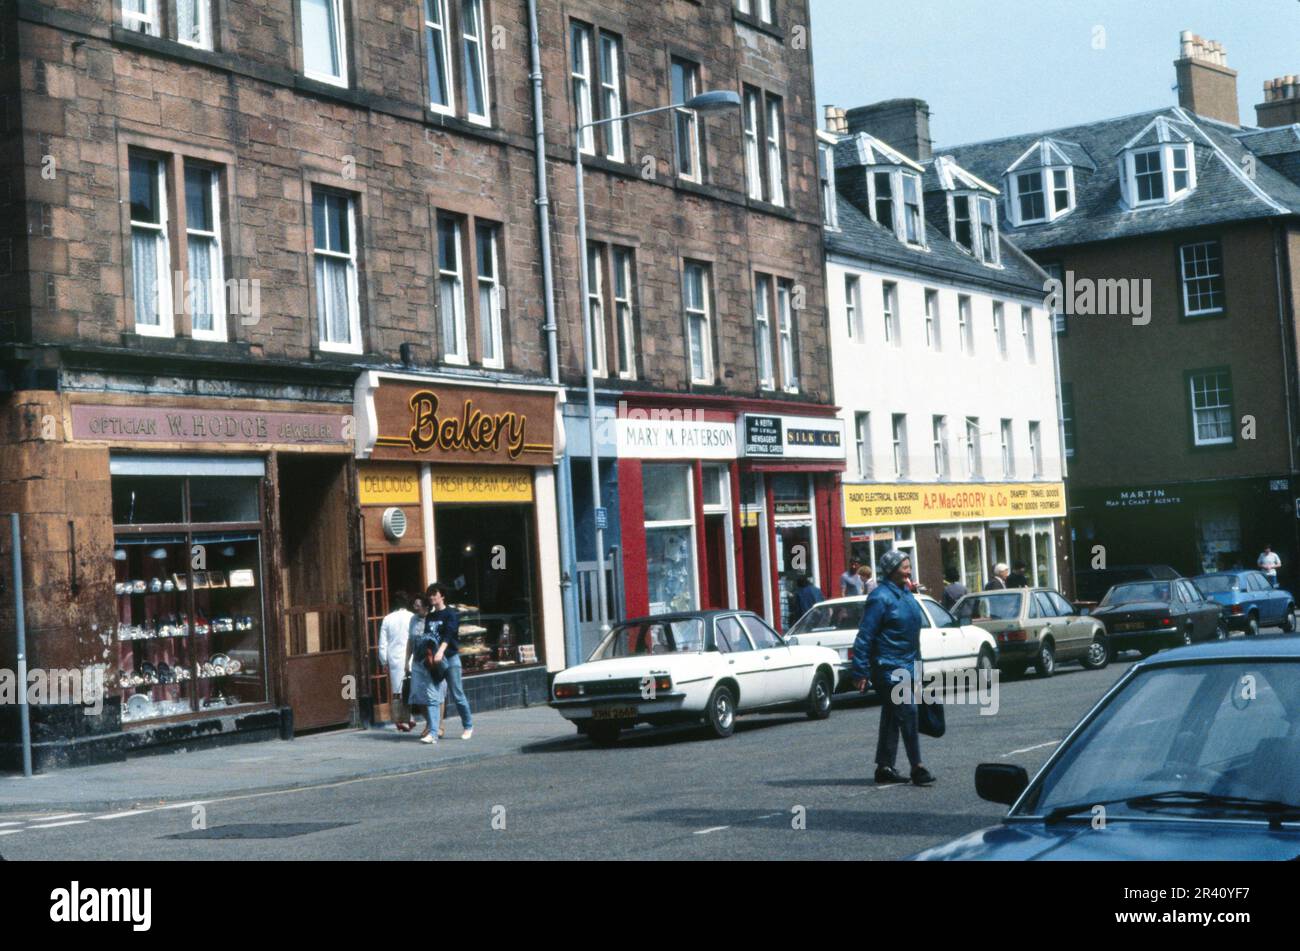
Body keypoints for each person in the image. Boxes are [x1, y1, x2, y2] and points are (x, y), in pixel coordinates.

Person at [850, 550, 935, 787]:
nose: (909, 570)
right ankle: (917, 767)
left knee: (892, 715)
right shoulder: (880, 597)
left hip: (909, 664)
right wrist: (860, 671)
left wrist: (918, 668)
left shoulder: (907, 595)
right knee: (908, 711)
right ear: (892, 570)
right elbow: (865, 635)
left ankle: (884, 767)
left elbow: (912, 636)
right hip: (888, 666)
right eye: (904, 566)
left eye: (909, 566)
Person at [427, 583, 474, 740]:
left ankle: (468, 726)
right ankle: (433, 731)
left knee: (457, 693)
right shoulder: (430, 616)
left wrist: (440, 651)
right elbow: (429, 638)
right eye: (430, 595)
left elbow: (448, 635)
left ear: (442, 596)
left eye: (435, 594)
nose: (432, 597)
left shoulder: (450, 614)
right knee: (433, 695)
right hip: (435, 660)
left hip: (450, 658)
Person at [405, 595, 444, 745]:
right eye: (414, 605)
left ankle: (437, 727)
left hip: (432, 661)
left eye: (417, 605)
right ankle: (430, 723)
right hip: (417, 661)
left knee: (436, 695)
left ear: (426, 607)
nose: (415, 608)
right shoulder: (413, 619)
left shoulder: (433, 619)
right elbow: (410, 640)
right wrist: (406, 661)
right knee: (416, 694)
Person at [377, 591, 414, 732]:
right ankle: (408, 717)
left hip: (394, 657)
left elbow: (382, 643)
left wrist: (383, 661)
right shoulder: (412, 617)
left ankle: (402, 719)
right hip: (410, 656)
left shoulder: (387, 619)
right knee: (409, 688)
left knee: (397, 690)